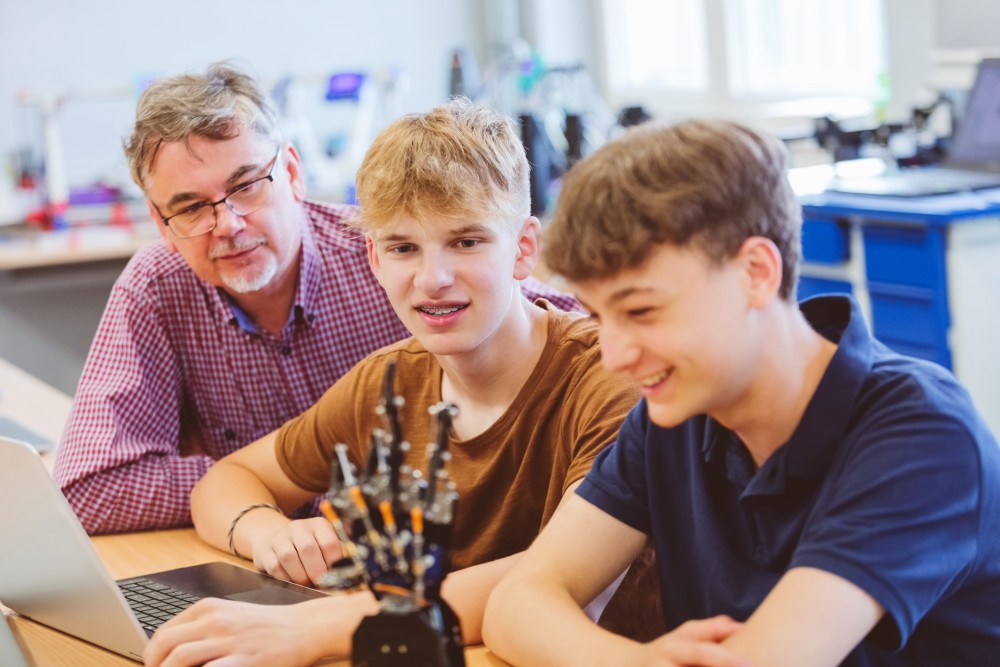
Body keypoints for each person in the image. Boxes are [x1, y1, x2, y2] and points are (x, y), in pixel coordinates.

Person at [142, 98, 642, 667]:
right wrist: (270, 535)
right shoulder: (388, 381)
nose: (433, 279)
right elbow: (228, 479)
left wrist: (314, 626)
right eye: (403, 248)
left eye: (467, 241)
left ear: (524, 249)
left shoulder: (611, 378)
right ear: (374, 259)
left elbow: (549, 576)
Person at [484, 118, 1000, 667]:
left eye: (641, 312)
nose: (614, 356)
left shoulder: (924, 437)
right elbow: (515, 604)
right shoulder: (674, 416)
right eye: (599, 316)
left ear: (755, 271)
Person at [52, 63, 574, 535]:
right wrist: (266, 484)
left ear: (293, 174)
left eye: (248, 186)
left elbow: (559, 326)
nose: (228, 225)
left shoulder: (394, 252)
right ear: (161, 224)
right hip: (293, 558)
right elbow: (87, 488)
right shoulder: (158, 287)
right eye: (190, 208)